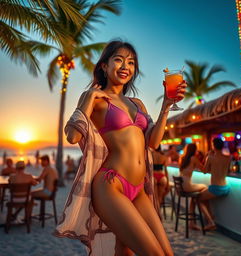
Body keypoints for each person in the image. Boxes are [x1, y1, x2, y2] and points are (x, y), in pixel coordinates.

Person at [54, 40, 187, 256]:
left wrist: (166, 106)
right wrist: (87, 101)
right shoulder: (95, 99)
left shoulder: (138, 104)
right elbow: (72, 136)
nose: (126, 66)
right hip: (111, 185)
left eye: (131, 62)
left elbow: (153, 142)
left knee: (147, 252)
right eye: (119, 60)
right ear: (104, 66)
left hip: (139, 189)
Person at [199, 138, 231, 231]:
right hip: (226, 187)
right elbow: (226, 171)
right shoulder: (228, 158)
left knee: (199, 198)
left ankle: (211, 222)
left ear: (213, 146)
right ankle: (210, 217)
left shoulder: (211, 157)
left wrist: (206, 157)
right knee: (205, 196)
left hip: (216, 188)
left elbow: (204, 171)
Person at [179, 143, 207, 230]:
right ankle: (205, 212)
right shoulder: (193, 158)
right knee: (204, 186)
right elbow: (204, 170)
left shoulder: (183, 158)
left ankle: (192, 223)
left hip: (181, 186)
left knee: (193, 199)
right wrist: (207, 157)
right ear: (194, 150)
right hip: (187, 186)